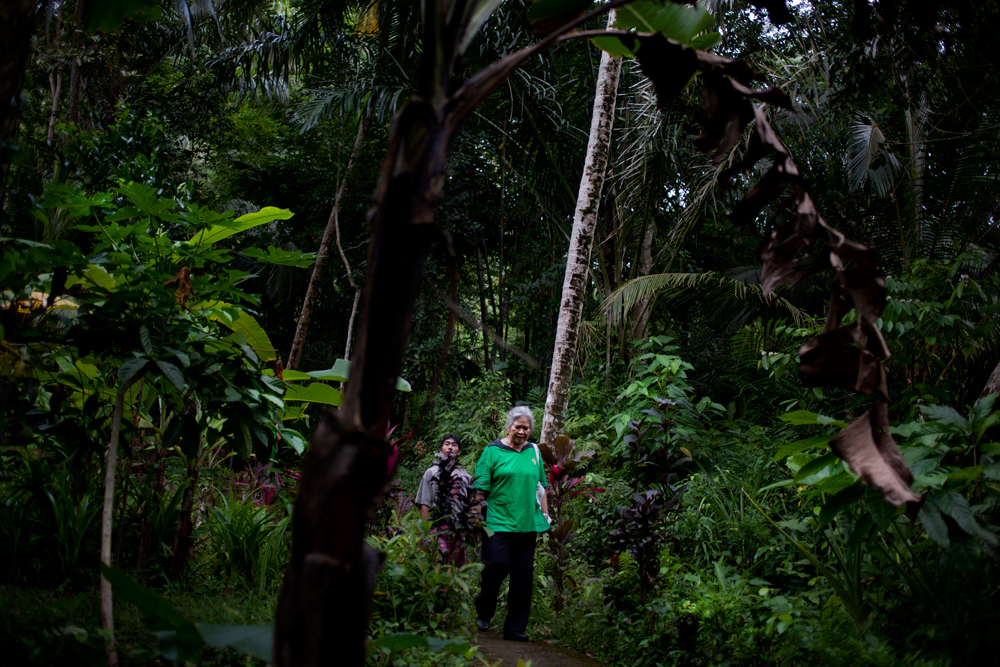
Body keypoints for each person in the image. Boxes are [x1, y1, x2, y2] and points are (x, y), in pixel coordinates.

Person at [472, 406, 550, 642]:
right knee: (497, 564)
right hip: (496, 521)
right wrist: (475, 516)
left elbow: (541, 487)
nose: (522, 431)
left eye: (526, 428)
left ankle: (514, 628)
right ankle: (484, 610)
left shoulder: (534, 452)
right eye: (518, 426)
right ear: (509, 426)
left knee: (523, 575)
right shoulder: (492, 451)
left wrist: (546, 517)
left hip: (526, 523)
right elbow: (480, 488)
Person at [415, 434, 472, 564]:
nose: (450, 447)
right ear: (440, 450)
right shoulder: (431, 473)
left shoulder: (465, 477)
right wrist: (426, 533)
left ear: (459, 452)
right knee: (437, 563)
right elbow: (425, 504)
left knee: (455, 568)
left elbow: (470, 505)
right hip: (437, 528)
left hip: (457, 530)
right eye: (447, 444)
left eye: (454, 445)